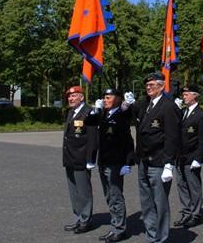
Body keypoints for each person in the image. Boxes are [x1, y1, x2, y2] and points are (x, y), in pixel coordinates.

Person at [132, 72, 181, 243]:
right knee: (146, 202)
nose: (148, 88)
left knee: (159, 203)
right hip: (144, 161)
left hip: (159, 161)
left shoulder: (168, 106)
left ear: (161, 86)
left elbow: (172, 137)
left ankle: (161, 238)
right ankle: (151, 236)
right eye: (147, 85)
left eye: (152, 85)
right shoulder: (147, 104)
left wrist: (169, 163)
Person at [94, 88, 135, 243]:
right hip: (103, 161)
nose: (105, 100)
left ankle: (120, 229)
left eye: (108, 97)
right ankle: (114, 226)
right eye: (104, 97)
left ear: (117, 99)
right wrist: (95, 111)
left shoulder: (122, 115)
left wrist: (128, 162)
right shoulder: (104, 114)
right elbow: (89, 123)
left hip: (116, 163)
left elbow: (128, 140)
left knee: (116, 196)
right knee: (109, 196)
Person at [173, 85, 203, 228]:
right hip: (180, 156)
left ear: (195, 96)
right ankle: (186, 212)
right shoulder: (182, 112)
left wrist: (199, 158)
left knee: (193, 186)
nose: (184, 96)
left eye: (187, 94)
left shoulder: (201, 114)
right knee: (181, 185)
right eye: (184, 94)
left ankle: (195, 214)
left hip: (192, 156)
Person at [62, 85, 97, 234]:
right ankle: (78, 217)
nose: (70, 98)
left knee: (83, 192)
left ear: (81, 97)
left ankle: (85, 220)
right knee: (73, 192)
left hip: (82, 159)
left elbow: (92, 138)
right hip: (70, 158)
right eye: (69, 96)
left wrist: (91, 159)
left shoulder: (89, 112)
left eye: (74, 96)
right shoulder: (71, 112)